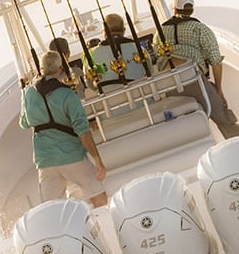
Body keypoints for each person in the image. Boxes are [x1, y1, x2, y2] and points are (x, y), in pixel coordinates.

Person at [19, 50, 108, 207]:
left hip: (45, 161)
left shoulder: (27, 93)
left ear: (40, 69)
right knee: (99, 196)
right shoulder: (68, 95)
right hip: (72, 156)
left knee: (53, 209)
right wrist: (97, 160)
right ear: (60, 69)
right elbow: (82, 130)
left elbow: (24, 123)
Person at [154, 0, 239, 138]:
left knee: (181, 128)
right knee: (223, 116)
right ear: (192, 10)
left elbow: (157, 60)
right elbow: (215, 61)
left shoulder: (159, 33)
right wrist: (219, 91)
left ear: (174, 9)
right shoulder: (201, 29)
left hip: (169, 86)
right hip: (194, 79)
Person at [85, 13, 149, 86]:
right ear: (124, 30)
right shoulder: (139, 49)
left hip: (109, 96)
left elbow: (89, 83)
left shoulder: (91, 56)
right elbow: (150, 70)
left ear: (104, 32)